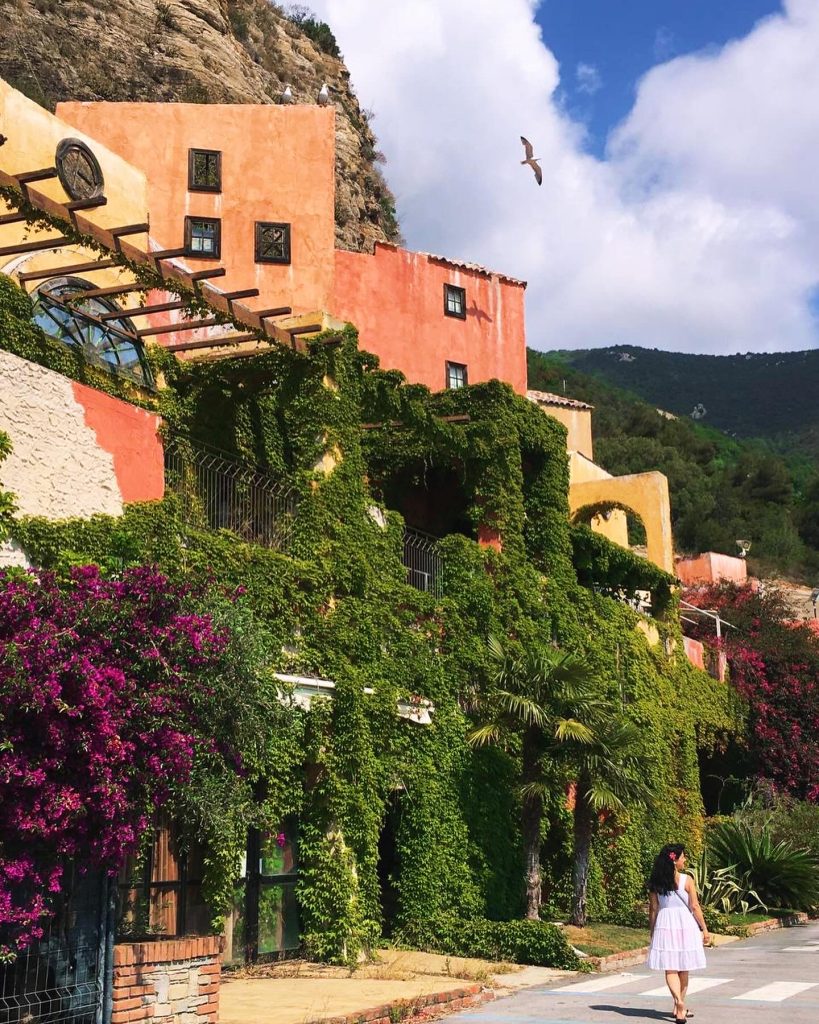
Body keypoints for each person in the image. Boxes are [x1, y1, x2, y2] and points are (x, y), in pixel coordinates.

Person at [647, 843, 711, 1023]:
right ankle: (681, 1005)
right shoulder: (687, 879)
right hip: (686, 923)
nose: (685, 859)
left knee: (671, 967)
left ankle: (678, 1003)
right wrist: (704, 929)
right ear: (675, 861)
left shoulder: (655, 882)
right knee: (684, 966)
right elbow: (695, 906)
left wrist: (652, 930)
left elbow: (653, 909)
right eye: (683, 856)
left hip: (665, 923)